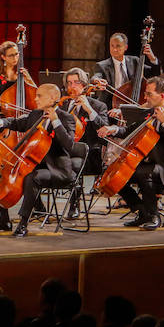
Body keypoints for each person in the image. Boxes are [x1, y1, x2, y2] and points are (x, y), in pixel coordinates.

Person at [0, 83, 76, 237]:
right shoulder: (36, 114)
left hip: (57, 169)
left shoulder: (66, 118)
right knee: (1, 172)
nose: (35, 98)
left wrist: (55, 121)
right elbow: (16, 123)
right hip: (33, 164)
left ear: (53, 98)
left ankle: (23, 223)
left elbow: (69, 145)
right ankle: (3, 220)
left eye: (39, 96)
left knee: (32, 178)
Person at [96, 77, 164, 230]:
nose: (145, 98)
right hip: (143, 161)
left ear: (162, 96)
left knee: (143, 173)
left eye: (149, 94)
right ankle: (141, 210)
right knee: (115, 176)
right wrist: (113, 129)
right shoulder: (147, 114)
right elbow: (129, 130)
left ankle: (154, 215)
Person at [60, 67, 109, 218]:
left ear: (84, 85)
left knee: (73, 163)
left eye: (76, 82)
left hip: (89, 154)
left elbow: (103, 132)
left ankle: (74, 204)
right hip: (65, 150)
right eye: (69, 83)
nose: (72, 87)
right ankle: (38, 205)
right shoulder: (63, 104)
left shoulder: (98, 106)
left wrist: (89, 110)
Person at [91, 31, 161, 109]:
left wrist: (152, 58)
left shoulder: (135, 61)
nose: (114, 49)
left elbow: (154, 74)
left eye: (118, 46)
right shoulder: (102, 66)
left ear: (125, 47)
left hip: (133, 102)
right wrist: (97, 80)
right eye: (112, 46)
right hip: (110, 106)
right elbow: (96, 76)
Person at [0, 40, 36, 105]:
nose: (15, 58)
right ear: (3, 57)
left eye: (16, 54)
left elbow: (36, 92)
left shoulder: (22, 72)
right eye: (11, 55)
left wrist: (29, 79)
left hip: (16, 109)